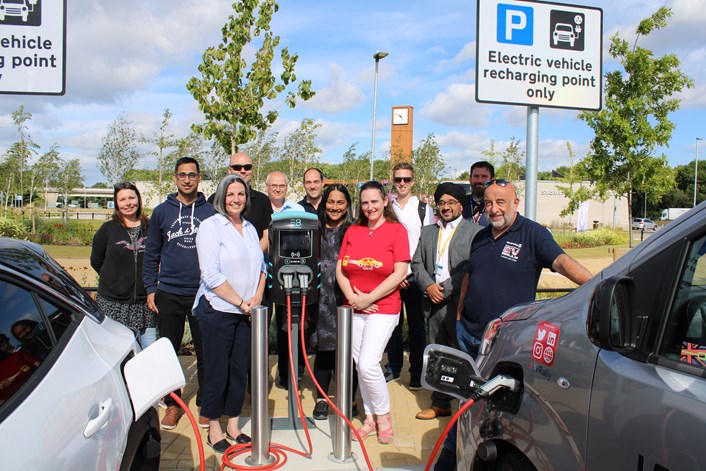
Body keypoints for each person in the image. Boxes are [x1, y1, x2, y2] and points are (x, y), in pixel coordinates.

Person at [434, 179, 592, 469]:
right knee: (468, 404)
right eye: (489, 203)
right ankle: (458, 456)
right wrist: (459, 315)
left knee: (481, 406)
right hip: (470, 334)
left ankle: (451, 460)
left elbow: (561, 262)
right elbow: (471, 274)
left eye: (501, 202)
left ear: (516, 203)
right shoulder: (481, 236)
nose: (494, 209)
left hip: (505, 342)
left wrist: (596, 286)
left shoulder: (533, 234)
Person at [193, 174, 266, 454]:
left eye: (241, 194)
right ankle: (214, 428)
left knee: (238, 370)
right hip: (219, 310)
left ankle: (233, 425)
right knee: (217, 370)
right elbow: (210, 275)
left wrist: (257, 296)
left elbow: (261, 265)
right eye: (231, 194)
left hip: (246, 312)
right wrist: (240, 302)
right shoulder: (211, 227)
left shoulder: (248, 227)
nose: (236, 199)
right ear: (221, 197)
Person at [143, 157, 216, 430]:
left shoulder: (210, 212)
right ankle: (173, 404)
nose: (187, 179)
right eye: (182, 175)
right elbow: (151, 254)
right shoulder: (162, 211)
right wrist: (151, 288)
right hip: (169, 292)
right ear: (175, 178)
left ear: (199, 178)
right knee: (169, 353)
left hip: (203, 293)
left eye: (192, 175)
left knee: (206, 350)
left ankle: (206, 405)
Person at [336, 181, 410, 445]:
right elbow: (340, 269)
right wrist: (355, 299)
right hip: (355, 307)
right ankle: (370, 418)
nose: (370, 207)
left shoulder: (397, 231)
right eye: (365, 202)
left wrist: (369, 298)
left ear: (385, 201)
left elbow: (399, 273)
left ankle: (384, 417)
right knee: (360, 365)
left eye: (374, 202)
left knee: (368, 364)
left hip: (384, 308)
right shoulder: (353, 230)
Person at [412, 183, 481, 420]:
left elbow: (471, 266)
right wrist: (429, 286)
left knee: (464, 353)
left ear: (461, 205)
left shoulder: (474, 231)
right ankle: (440, 403)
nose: (446, 207)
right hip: (433, 302)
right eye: (441, 203)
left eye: (451, 202)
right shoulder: (428, 231)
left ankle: (467, 405)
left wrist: (445, 289)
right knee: (437, 352)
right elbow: (417, 263)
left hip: (460, 303)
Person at [310, 184, 359, 420]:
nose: (335, 207)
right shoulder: (315, 230)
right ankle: (321, 398)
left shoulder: (356, 231)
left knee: (349, 351)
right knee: (324, 350)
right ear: (324, 203)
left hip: (348, 299)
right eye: (331, 202)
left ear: (347, 205)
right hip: (321, 300)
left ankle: (348, 399)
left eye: (340, 202)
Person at [385, 162, 434, 389]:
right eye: (398, 179)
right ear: (393, 181)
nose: (402, 183)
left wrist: (410, 271)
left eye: (406, 179)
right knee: (391, 325)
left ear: (413, 181)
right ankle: (394, 368)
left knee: (417, 327)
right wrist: (396, 272)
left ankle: (417, 373)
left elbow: (426, 244)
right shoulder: (388, 207)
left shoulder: (423, 208)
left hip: (415, 276)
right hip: (392, 276)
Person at [91, 182, 157, 348]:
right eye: (122, 199)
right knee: (120, 351)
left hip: (145, 303)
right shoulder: (108, 229)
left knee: (150, 352)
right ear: (116, 203)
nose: (128, 203)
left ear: (138, 199)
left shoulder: (151, 228)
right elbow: (96, 261)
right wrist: (115, 279)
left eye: (131, 198)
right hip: (114, 303)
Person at [265, 170, 305, 388]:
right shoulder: (260, 209)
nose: (278, 189)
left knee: (285, 327)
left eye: (282, 186)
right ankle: (259, 376)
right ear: (267, 187)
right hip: (262, 275)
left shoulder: (297, 210)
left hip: (288, 277)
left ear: (287, 187)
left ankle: (286, 374)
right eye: (274, 186)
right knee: (260, 328)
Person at [209, 152, 271, 252]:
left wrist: (253, 256)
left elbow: (267, 235)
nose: (243, 171)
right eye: (237, 167)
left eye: (247, 167)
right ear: (229, 170)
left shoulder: (263, 200)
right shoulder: (215, 199)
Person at [461, 161, 494, 225]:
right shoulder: (461, 203)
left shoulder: (497, 205)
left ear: (492, 180)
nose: (479, 180)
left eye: (484, 176)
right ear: (470, 179)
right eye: (476, 176)